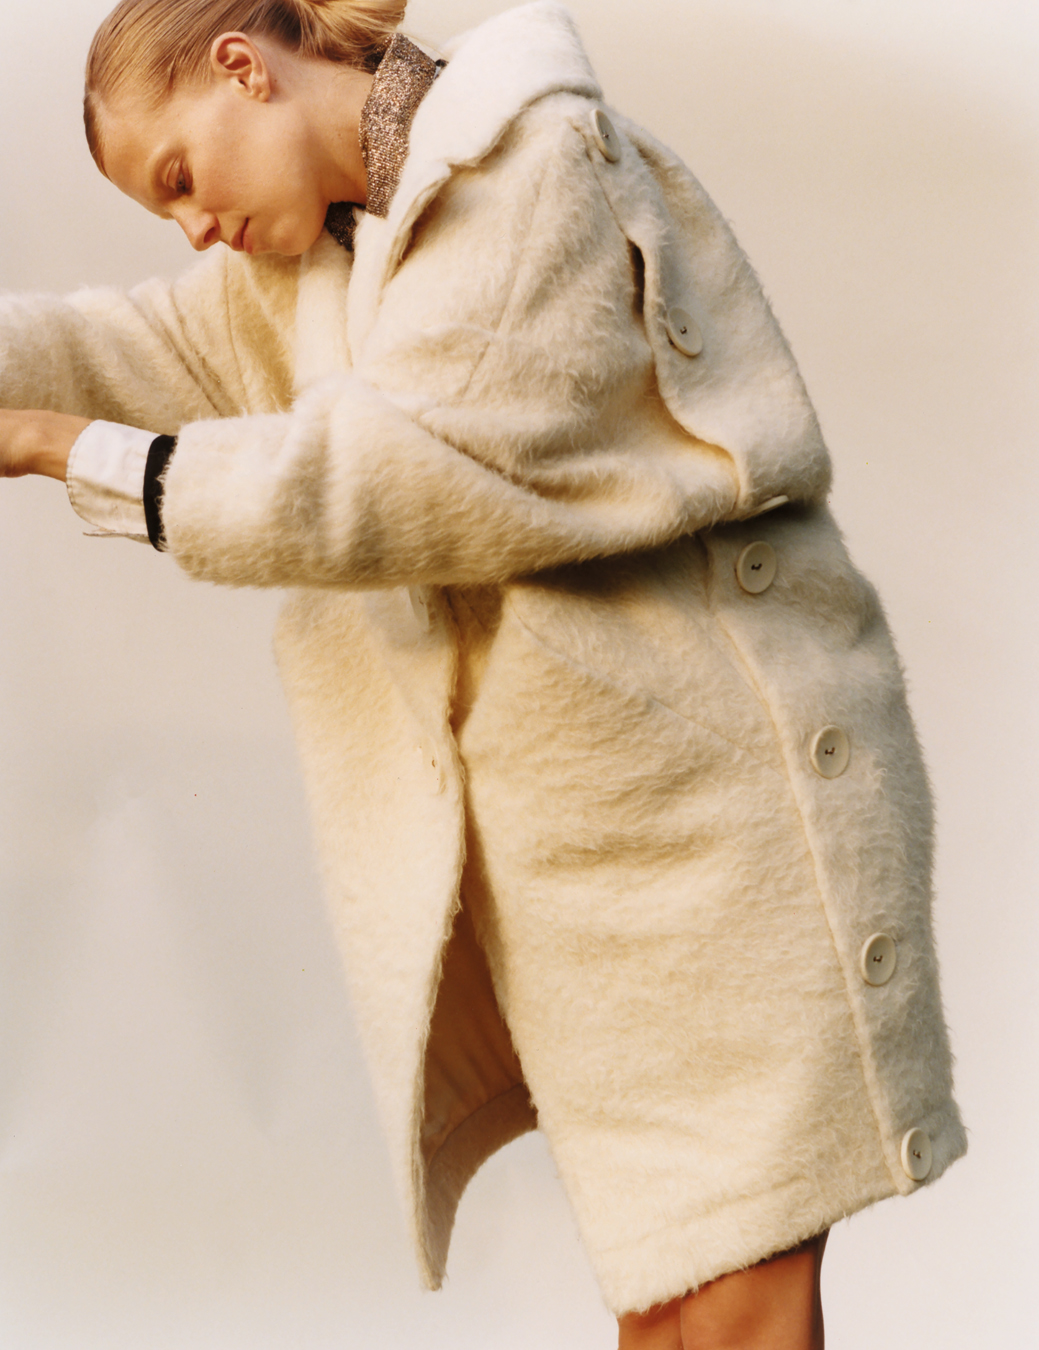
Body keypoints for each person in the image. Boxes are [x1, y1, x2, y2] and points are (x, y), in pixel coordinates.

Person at [0, 1, 966, 1345]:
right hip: (591, 873)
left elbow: (399, 473)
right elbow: (137, 348)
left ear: (245, 69)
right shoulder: (328, 259)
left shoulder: (530, 168)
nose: (195, 230)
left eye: (180, 178)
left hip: (734, 827)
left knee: (742, 1300)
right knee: (668, 1301)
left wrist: (69, 450)